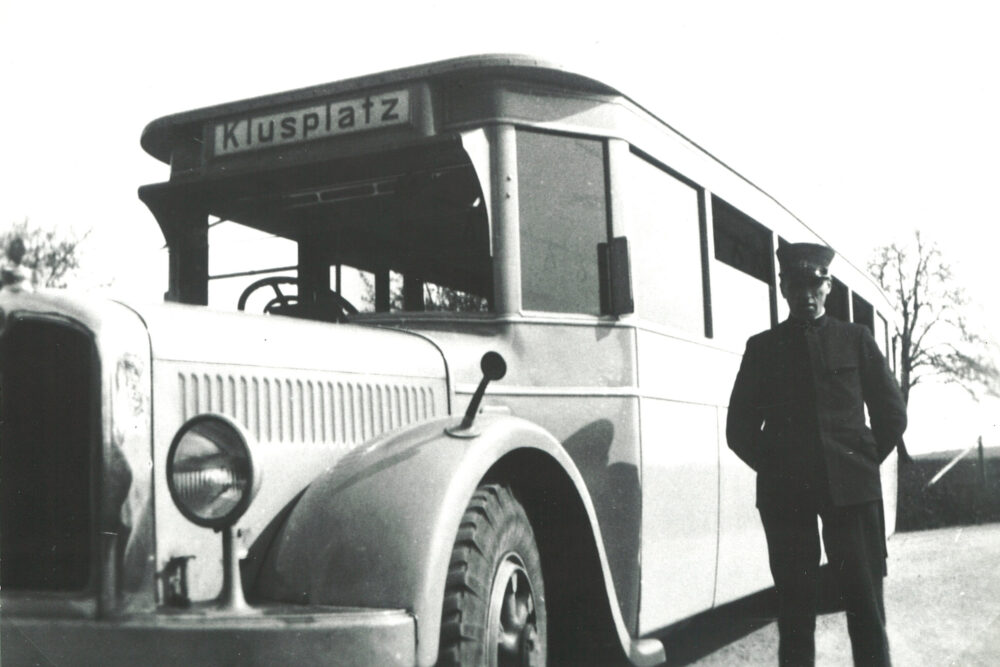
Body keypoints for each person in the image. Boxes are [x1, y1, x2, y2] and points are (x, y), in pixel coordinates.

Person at [726, 242, 907, 666]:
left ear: (828, 286)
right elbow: (739, 430)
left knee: (865, 606)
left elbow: (892, 414)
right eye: (795, 284)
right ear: (782, 287)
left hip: (853, 494)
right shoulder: (762, 348)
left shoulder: (855, 339)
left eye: (815, 283)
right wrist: (779, 468)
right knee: (795, 611)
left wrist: (859, 461)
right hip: (787, 497)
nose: (805, 292)